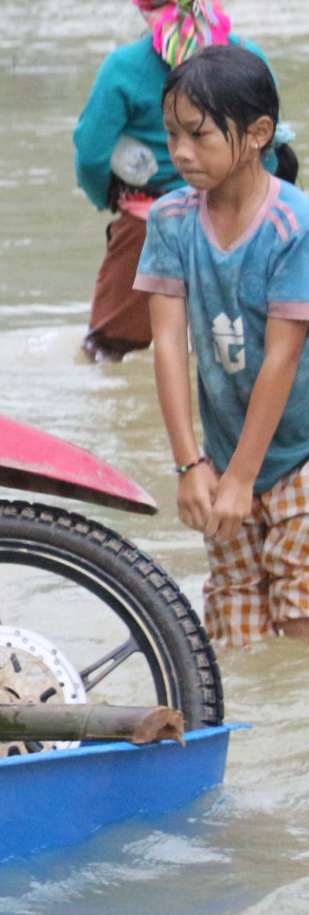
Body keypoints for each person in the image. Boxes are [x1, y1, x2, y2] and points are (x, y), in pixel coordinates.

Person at [138, 45, 309, 648]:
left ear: (259, 134)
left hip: (300, 456)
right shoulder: (170, 221)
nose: (181, 151)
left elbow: (283, 357)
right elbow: (166, 343)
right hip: (222, 454)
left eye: (199, 135)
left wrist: (243, 477)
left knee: (298, 624)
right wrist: (191, 465)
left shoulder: (295, 225)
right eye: (171, 135)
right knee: (235, 632)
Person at [73, 0, 274, 362]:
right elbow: (269, 150)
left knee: (107, 353)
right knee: (238, 349)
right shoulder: (248, 57)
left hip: (148, 223)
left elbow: (91, 154)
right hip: (238, 220)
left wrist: (107, 197)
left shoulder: (123, 68)